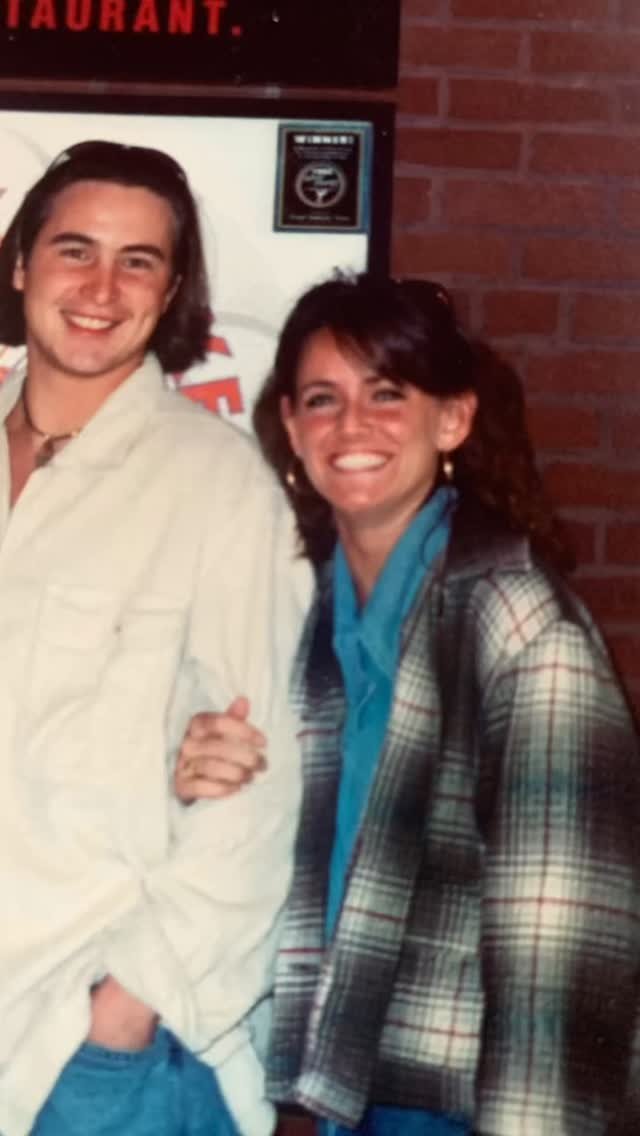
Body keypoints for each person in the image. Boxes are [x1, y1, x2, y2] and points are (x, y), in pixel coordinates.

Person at [176, 274, 640, 1136]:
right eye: (323, 399)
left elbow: (565, 935)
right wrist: (197, 761)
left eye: (387, 394)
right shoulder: (305, 610)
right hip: (346, 1070)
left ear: (452, 420)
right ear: (291, 429)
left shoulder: (517, 620)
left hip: (468, 1094)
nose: (352, 425)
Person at [0, 140, 309, 1136]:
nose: (101, 288)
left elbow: (269, 778)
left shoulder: (217, 486)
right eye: (75, 250)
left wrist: (126, 1006)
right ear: (20, 264)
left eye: (138, 261)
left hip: (78, 1049)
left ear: (171, 291)